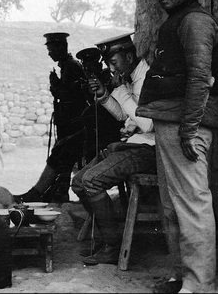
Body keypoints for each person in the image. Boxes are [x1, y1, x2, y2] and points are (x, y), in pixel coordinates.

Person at [136, 0, 218, 294]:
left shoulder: (196, 22)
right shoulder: (177, 21)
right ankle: (181, 276)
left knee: (191, 203)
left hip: (186, 125)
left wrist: (189, 129)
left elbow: (201, 78)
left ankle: (199, 284)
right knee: (173, 204)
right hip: (170, 123)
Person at [70, 33, 156, 265]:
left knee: (92, 181)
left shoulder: (146, 76)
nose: (111, 68)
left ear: (129, 56)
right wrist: (104, 95)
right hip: (134, 145)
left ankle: (112, 244)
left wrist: (119, 92)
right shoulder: (129, 76)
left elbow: (147, 123)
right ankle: (108, 235)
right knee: (78, 181)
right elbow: (122, 115)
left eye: (114, 63)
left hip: (148, 150)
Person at [14, 32, 119, 204]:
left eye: (92, 65)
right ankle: (50, 191)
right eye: (86, 66)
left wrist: (57, 88)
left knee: (65, 149)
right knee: (63, 149)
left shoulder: (83, 71)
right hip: (84, 126)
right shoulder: (73, 70)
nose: (88, 69)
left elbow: (82, 103)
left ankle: (47, 191)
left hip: (93, 130)